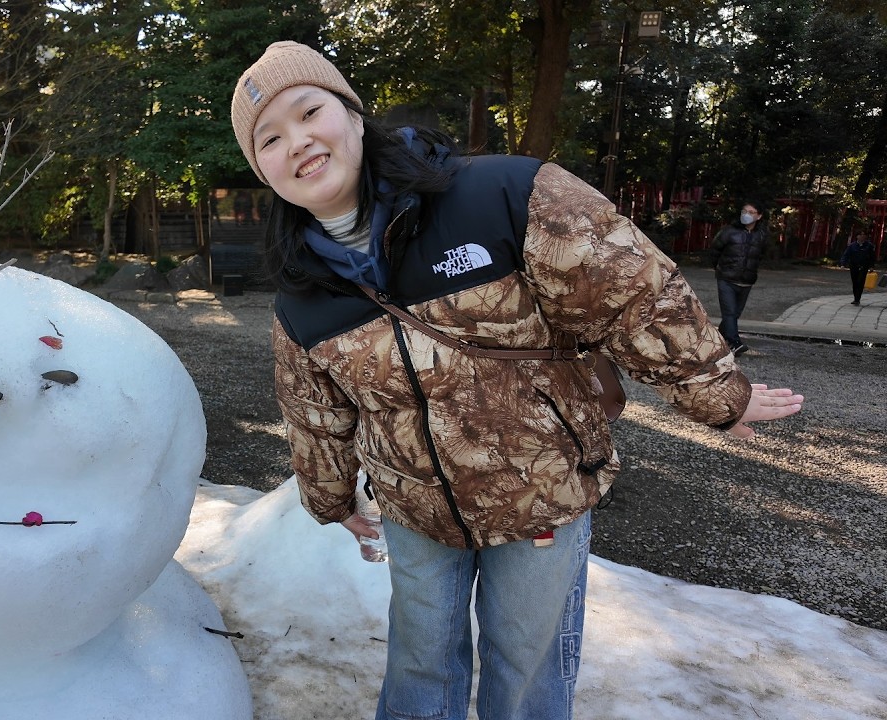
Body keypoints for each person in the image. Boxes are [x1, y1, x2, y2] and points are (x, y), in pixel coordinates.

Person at [230, 41, 803, 720]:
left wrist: (717, 398)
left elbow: (631, 292)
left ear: (354, 115)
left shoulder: (502, 195)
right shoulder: (302, 294)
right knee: (420, 662)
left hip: (542, 493)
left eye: (309, 112)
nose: (297, 143)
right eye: (270, 139)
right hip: (416, 512)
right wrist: (329, 497)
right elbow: (313, 411)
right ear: (261, 169)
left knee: (527, 663)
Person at [707, 203, 768, 355]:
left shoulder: (761, 235)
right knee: (730, 313)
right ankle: (735, 344)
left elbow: (759, 256)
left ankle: (717, 339)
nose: (746, 214)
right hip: (726, 279)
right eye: (744, 211)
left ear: (759, 216)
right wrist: (721, 269)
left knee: (734, 314)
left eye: (751, 212)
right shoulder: (729, 232)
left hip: (746, 281)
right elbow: (714, 251)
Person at [840, 232, 878, 305]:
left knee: (860, 282)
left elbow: (872, 257)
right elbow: (846, 255)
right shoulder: (852, 246)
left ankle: (857, 299)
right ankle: (855, 297)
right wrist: (843, 264)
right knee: (855, 282)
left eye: (864, 235)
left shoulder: (869, 246)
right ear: (857, 236)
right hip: (854, 266)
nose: (862, 236)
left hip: (864, 266)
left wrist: (871, 266)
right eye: (861, 234)